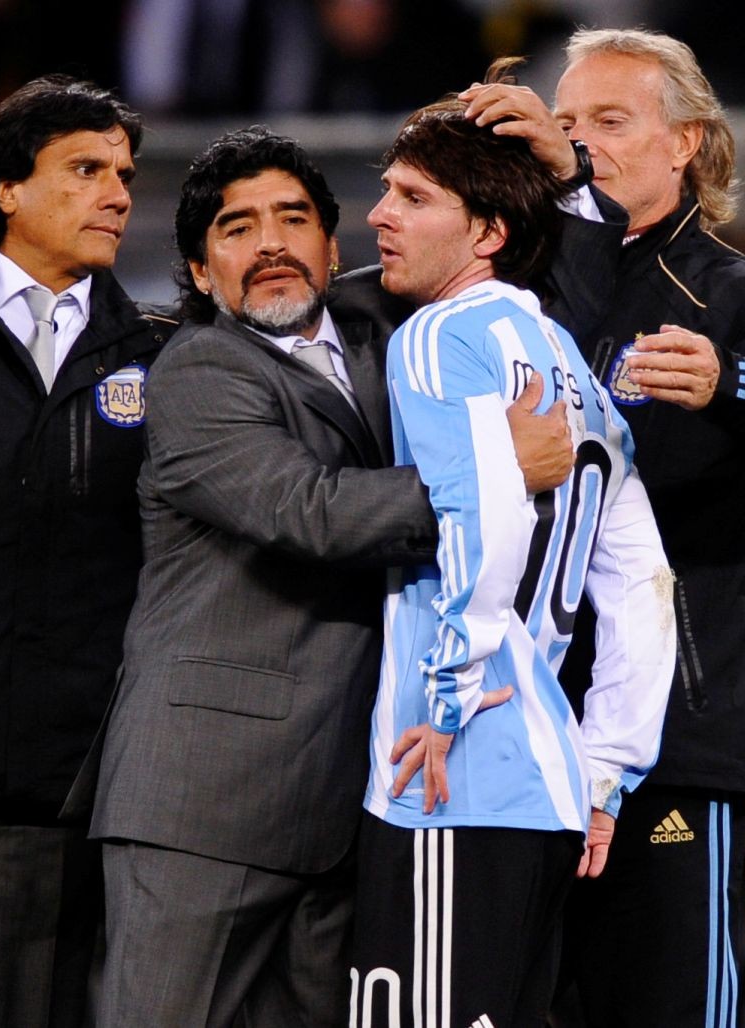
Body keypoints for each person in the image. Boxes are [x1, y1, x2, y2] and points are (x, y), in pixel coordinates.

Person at [84, 122, 591, 1027]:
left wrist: (564, 175)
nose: (271, 242)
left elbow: (526, 281)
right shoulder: (198, 369)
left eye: (293, 218)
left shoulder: (386, 326)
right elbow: (306, 510)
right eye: (236, 229)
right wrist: (494, 466)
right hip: (204, 808)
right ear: (200, 273)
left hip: (351, 812)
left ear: (334, 244)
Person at [348, 96, 676, 1028]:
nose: (379, 216)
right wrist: (605, 771)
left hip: (449, 774)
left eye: (413, 197)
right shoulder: (572, 361)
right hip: (551, 782)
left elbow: (481, 517)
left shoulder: (437, 338)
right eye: (385, 192)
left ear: (488, 232)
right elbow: (643, 585)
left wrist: (446, 698)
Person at [461, 27, 745, 1028]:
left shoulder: (726, 294)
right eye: (565, 124)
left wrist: (732, 387)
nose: (577, 146)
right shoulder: (511, 288)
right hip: (517, 739)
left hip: (675, 738)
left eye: (608, 123)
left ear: (687, 145)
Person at [0, 74, 177, 1027]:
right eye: (86, 170)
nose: (119, 194)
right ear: (8, 188)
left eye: (123, 173)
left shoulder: (163, 355)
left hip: (59, 787)